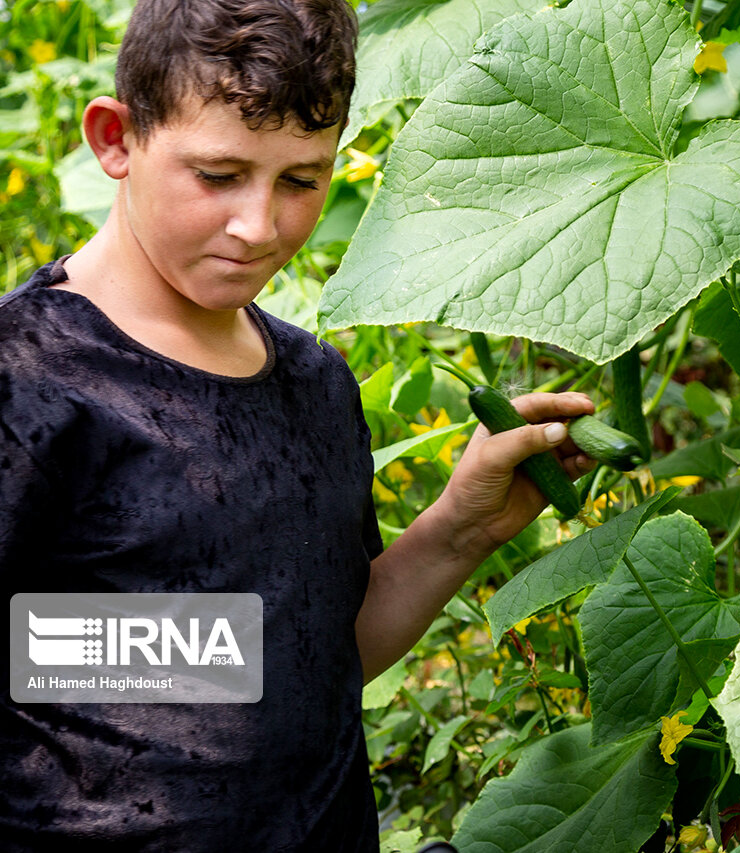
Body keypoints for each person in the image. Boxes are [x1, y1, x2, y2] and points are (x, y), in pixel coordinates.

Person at [0, 0, 594, 849]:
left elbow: (302, 657)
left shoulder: (316, 383)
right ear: (115, 140)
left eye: (301, 180)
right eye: (217, 175)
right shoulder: (26, 377)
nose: (259, 225)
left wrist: (459, 529)